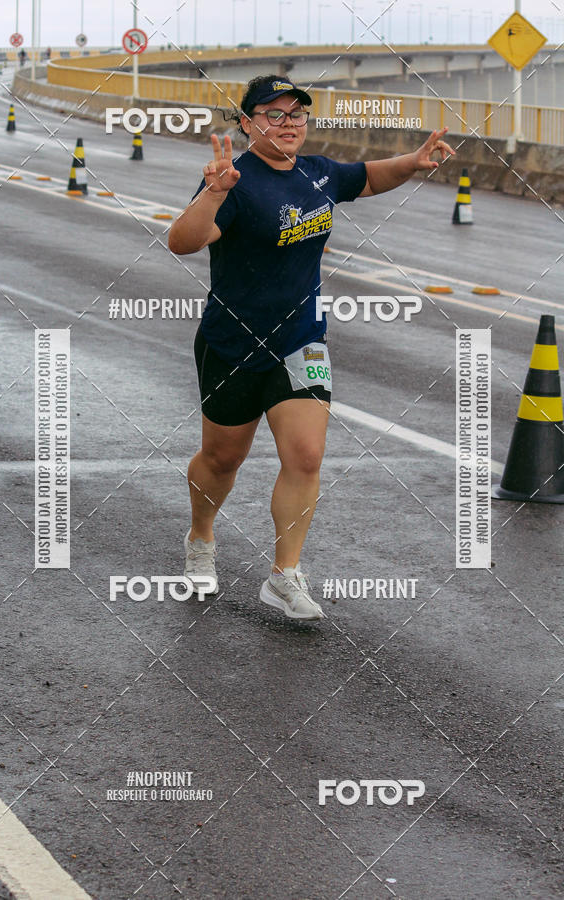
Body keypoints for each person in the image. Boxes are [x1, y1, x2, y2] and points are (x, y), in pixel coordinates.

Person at [168, 74, 455, 621]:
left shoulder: (317, 172)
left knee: (306, 455)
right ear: (248, 121)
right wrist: (214, 192)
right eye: (274, 114)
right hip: (232, 343)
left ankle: (284, 575)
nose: (289, 124)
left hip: (302, 339)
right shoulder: (235, 179)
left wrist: (413, 162)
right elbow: (182, 241)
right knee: (222, 457)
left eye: (297, 114)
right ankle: (201, 538)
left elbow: (368, 178)